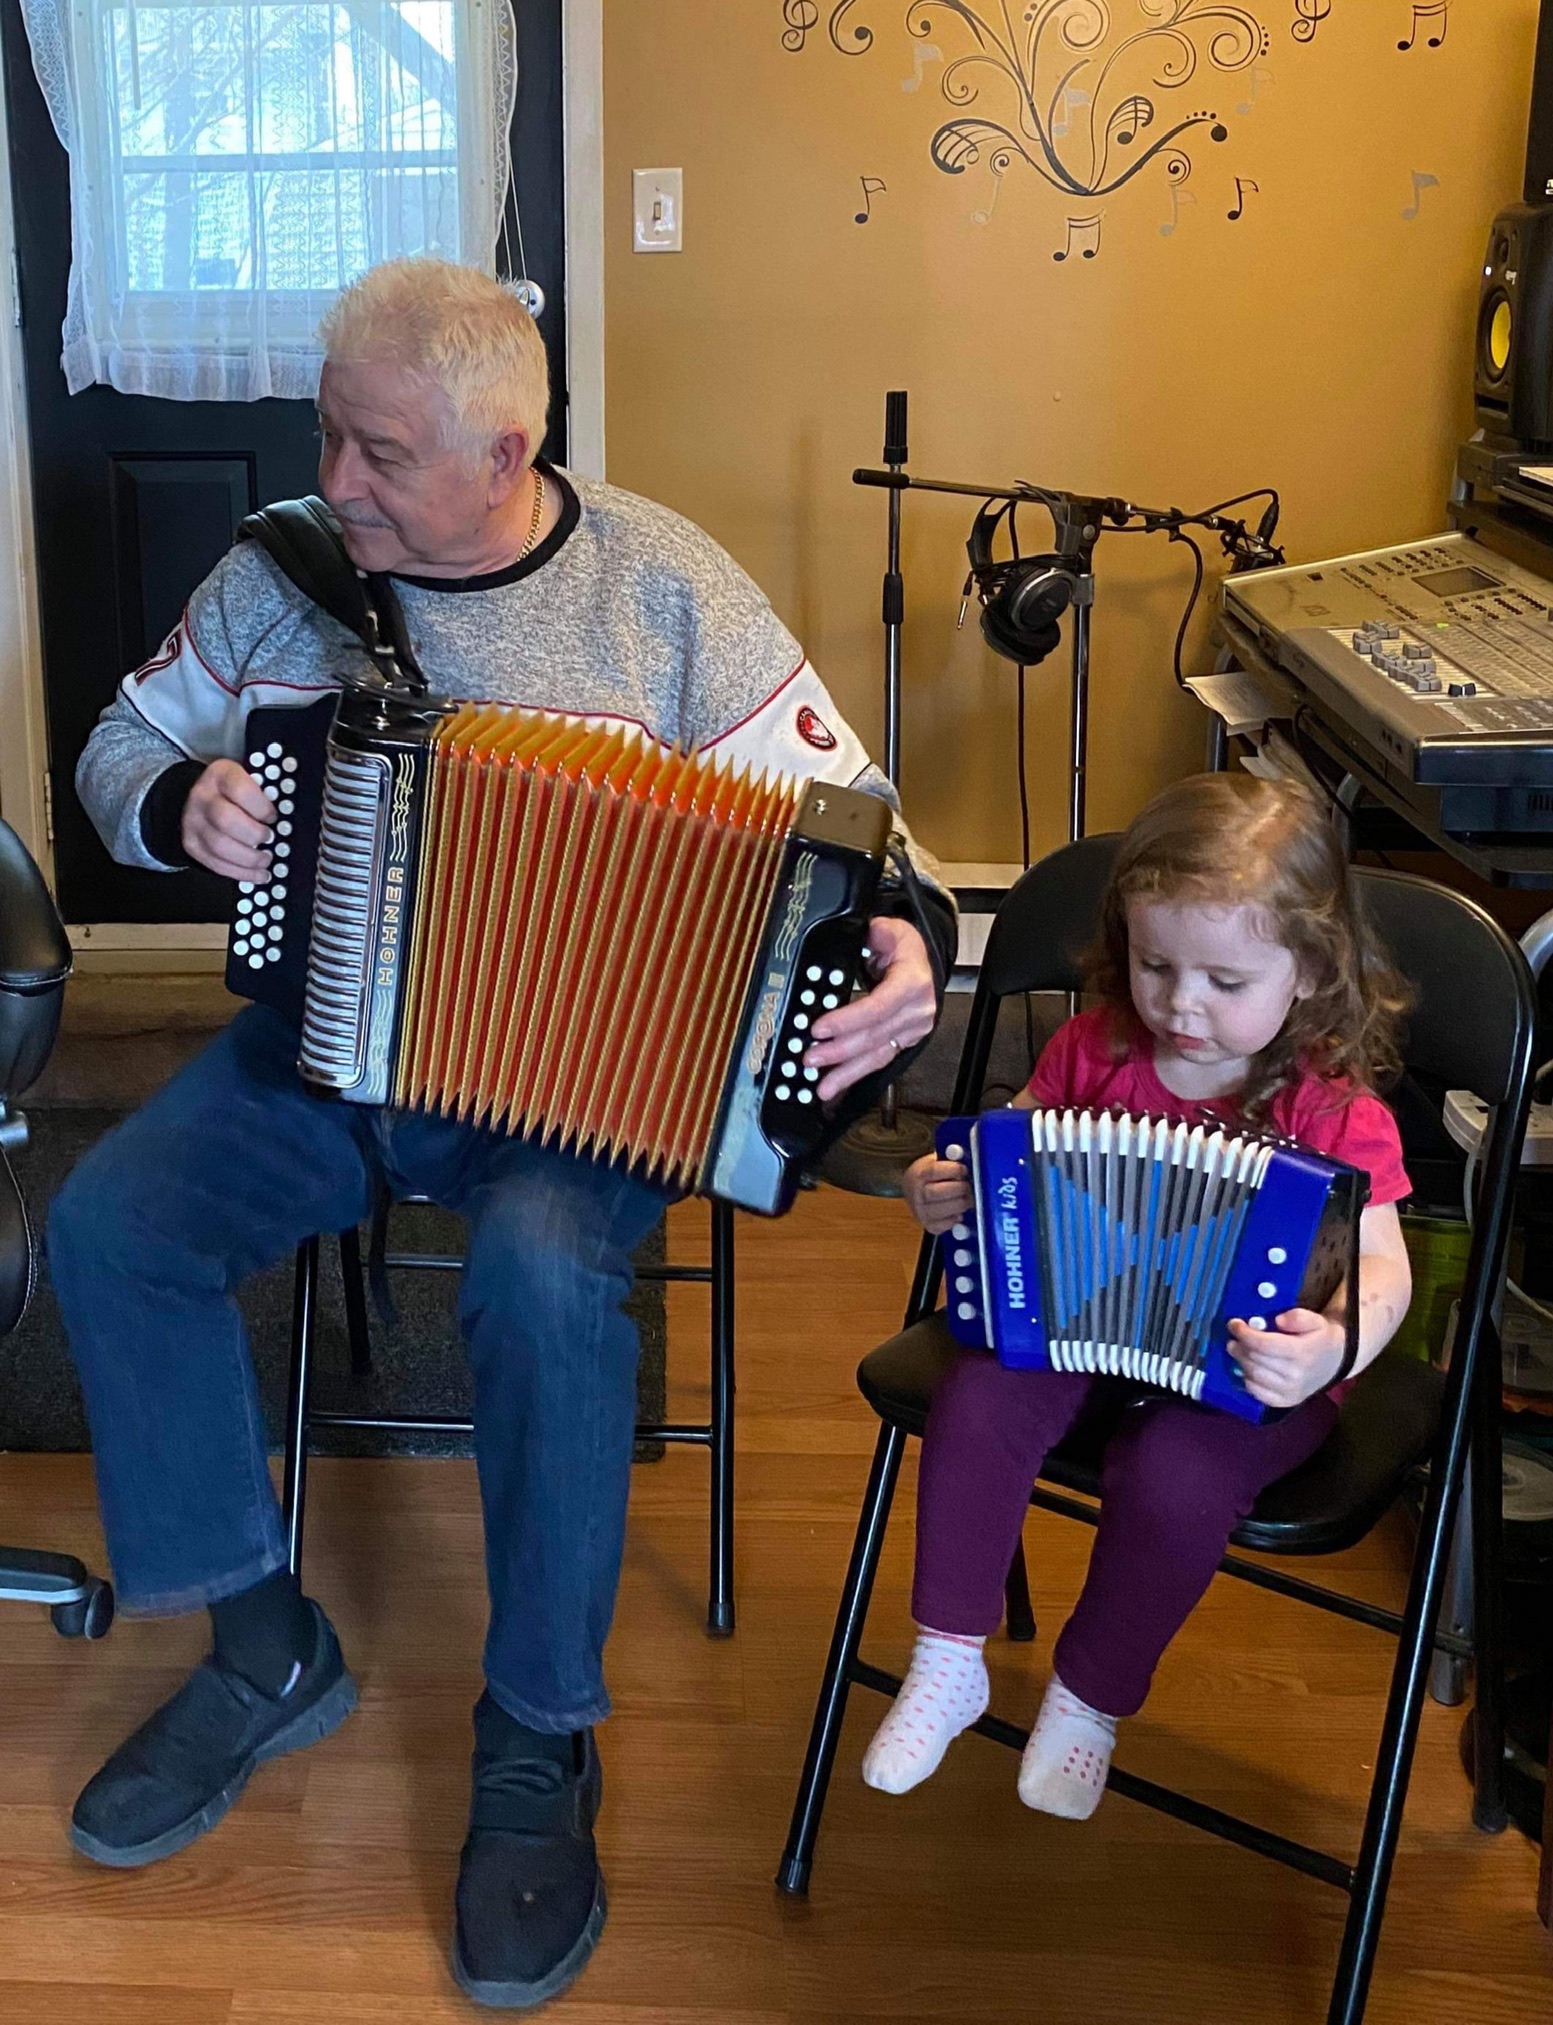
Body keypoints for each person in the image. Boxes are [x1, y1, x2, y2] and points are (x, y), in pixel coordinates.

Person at [47, 257, 955, 2011]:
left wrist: (904, 933)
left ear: (506, 448)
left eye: (378, 451)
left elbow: (860, 826)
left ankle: (537, 1734)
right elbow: (113, 749)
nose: (335, 480)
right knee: (111, 1224)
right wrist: (183, 803)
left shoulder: (663, 591)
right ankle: (262, 1640)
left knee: (544, 1285)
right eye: (329, 434)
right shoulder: (277, 580)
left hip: (580, 1106)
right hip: (328, 1058)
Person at [862, 773, 1412, 1820]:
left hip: (1250, 1376)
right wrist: (940, 1190)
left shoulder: (1331, 1107)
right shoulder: (1092, 1052)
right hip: (1078, 1331)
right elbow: (1005, 1162)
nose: (1181, 1004)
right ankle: (946, 1656)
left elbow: (1386, 1266)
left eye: (1223, 978)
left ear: (1305, 970)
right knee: (975, 1400)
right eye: (1156, 965)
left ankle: (1088, 1696)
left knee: (1175, 1477)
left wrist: (1331, 1348)